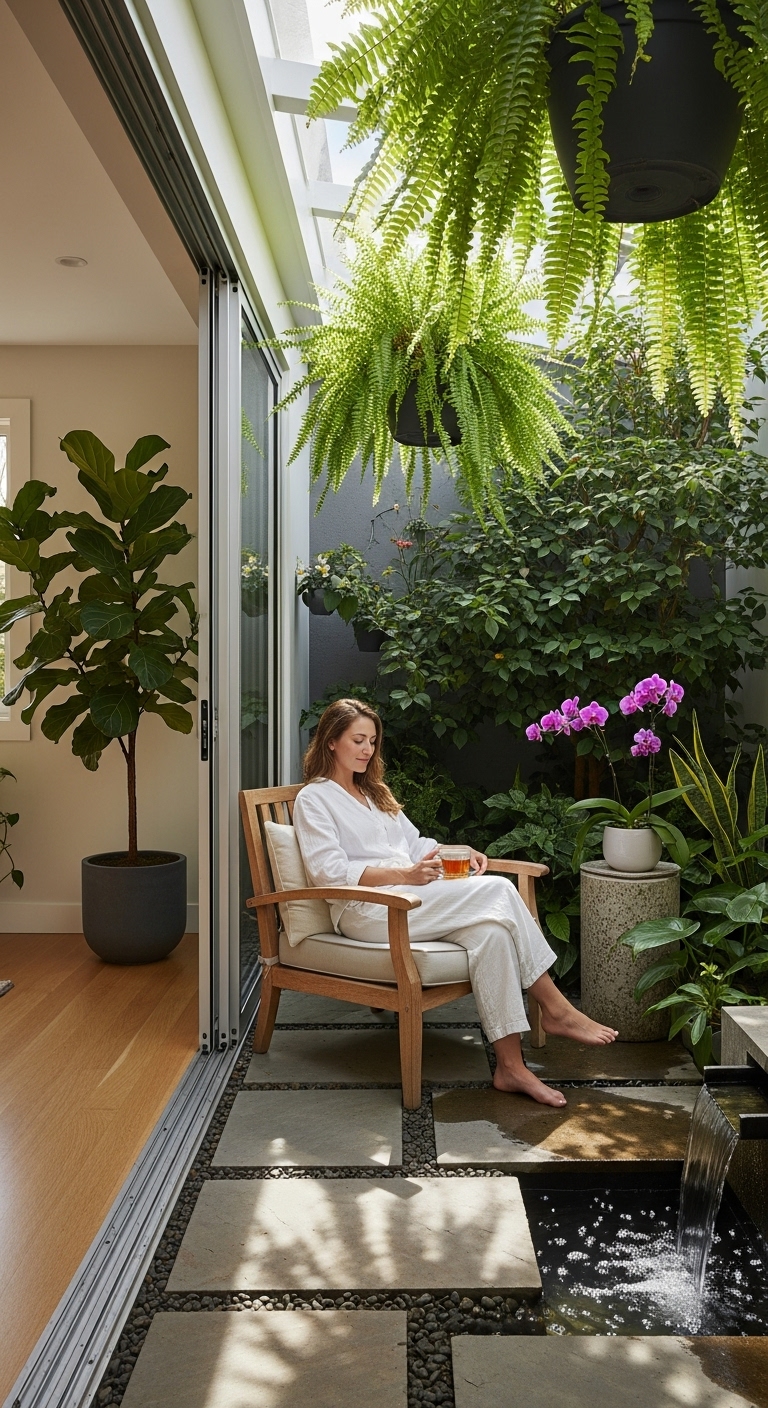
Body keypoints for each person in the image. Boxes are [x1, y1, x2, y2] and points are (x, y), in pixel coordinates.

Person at [293, 698, 618, 1106]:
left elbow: (416, 845)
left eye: (372, 742)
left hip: (410, 900)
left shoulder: (374, 793)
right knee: (500, 890)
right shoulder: (315, 799)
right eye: (358, 740)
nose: (367, 750)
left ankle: (510, 1068)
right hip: (367, 910)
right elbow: (328, 873)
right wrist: (404, 875)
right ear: (331, 741)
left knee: (492, 932)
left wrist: (457, 850)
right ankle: (556, 1008)